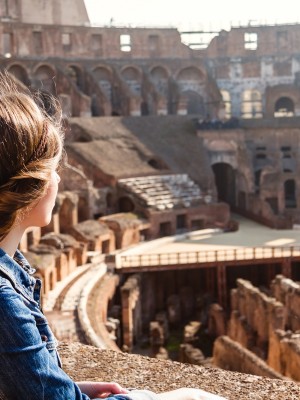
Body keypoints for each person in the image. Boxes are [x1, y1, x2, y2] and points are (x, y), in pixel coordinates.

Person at [0, 72, 226, 400]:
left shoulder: (13, 267)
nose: (59, 182)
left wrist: (69, 389)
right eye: (54, 171)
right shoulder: (5, 301)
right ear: (32, 185)